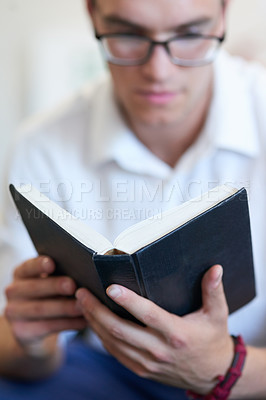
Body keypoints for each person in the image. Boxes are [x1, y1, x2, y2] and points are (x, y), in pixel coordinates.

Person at [0, 0, 266, 399]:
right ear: (92, 15)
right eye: (127, 34)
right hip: (102, 375)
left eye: (190, 35)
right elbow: (16, 355)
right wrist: (32, 344)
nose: (158, 72)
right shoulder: (43, 144)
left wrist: (224, 369)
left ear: (224, 15)